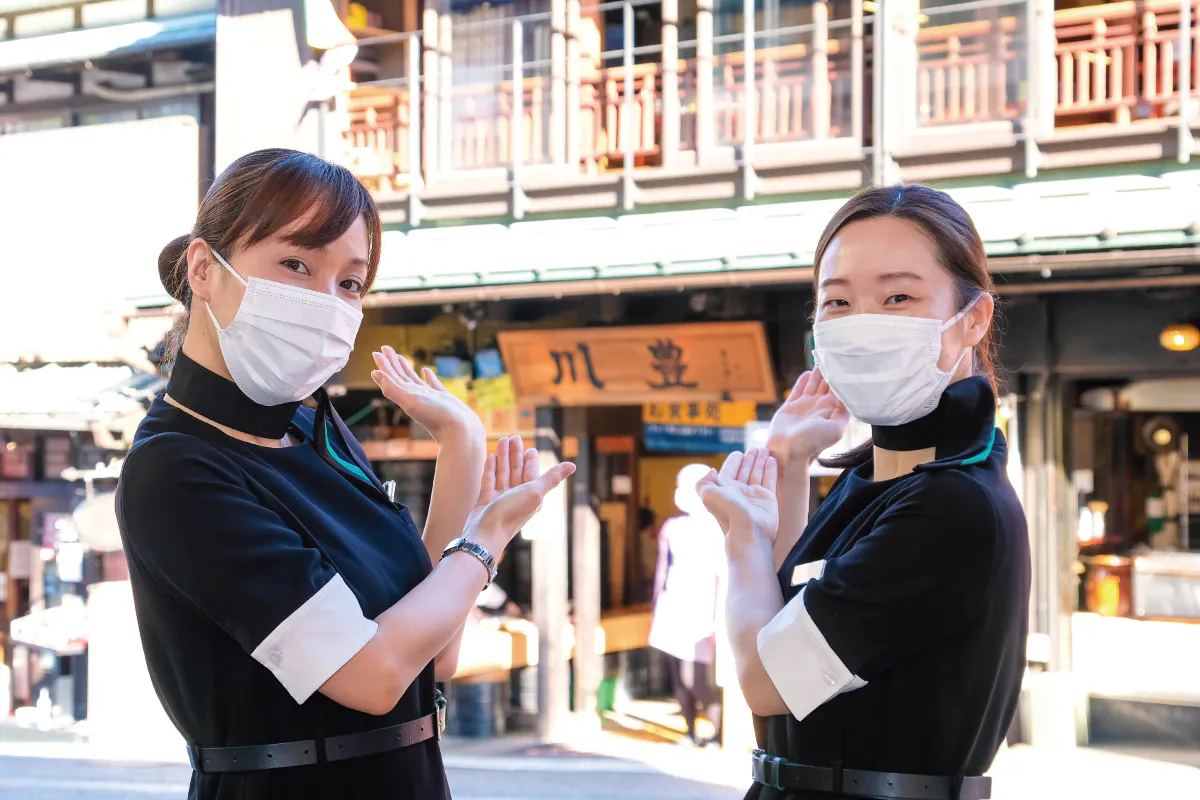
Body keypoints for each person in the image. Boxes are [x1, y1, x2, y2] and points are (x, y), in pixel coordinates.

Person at [115, 148, 574, 800]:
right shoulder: (178, 469)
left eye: (350, 284)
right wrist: (486, 539)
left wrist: (462, 448)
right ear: (203, 269)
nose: (326, 302)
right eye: (296, 264)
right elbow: (373, 676)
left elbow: (432, 654)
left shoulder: (315, 432)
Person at [700, 184, 1030, 800]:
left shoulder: (951, 505)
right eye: (838, 301)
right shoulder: (875, 482)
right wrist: (789, 464)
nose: (863, 323)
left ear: (973, 319)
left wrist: (743, 537)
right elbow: (786, 612)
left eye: (898, 296)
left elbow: (768, 681)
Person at [648, 464, 726, 747]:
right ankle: (690, 733)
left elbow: (723, 576)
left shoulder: (718, 527)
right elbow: (662, 571)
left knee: (695, 678)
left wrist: (719, 620)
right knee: (678, 679)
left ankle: (719, 733)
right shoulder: (672, 527)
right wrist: (656, 609)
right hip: (671, 608)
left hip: (702, 612)